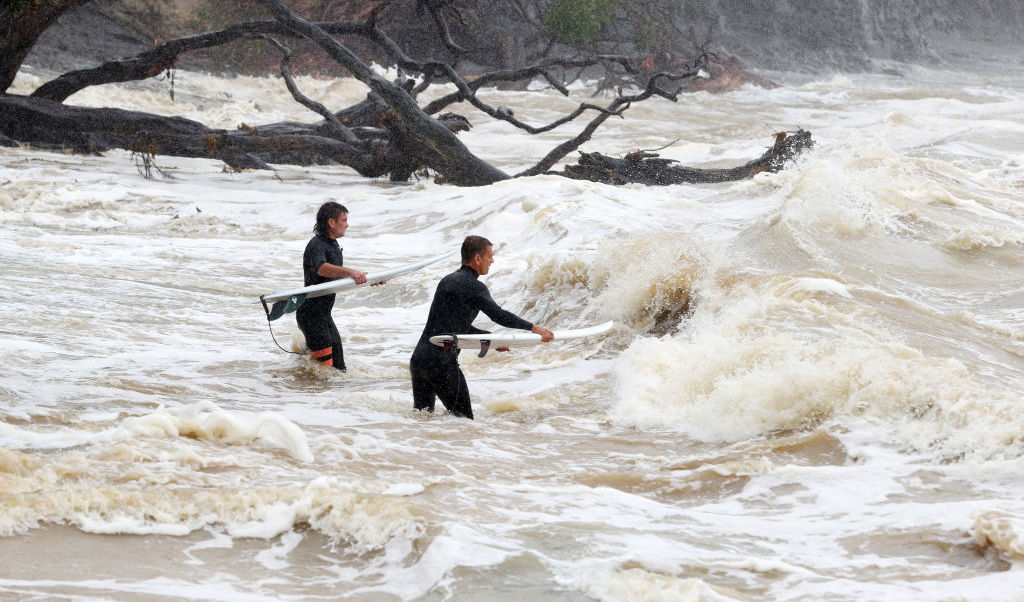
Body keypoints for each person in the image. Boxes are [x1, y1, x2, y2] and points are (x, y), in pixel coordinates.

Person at [410, 235, 554, 419]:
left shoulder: (447, 281)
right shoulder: (474, 286)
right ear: (477, 258)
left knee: (422, 420)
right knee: (464, 422)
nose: (492, 260)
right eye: (490, 256)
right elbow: (498, 315)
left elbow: (454, 327)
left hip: (420, 360)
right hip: (441, 364)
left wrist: (491, 340)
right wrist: (533, 327)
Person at [297, 201, 369, 371]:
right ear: (331, 222)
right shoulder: (317, 245)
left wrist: (368, 280)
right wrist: (351, 272)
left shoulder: (332, 245)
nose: (347, 225)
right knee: (325, 373)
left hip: (324, 315)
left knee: (338, 371)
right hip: (311, 315)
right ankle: (314, 397)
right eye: (344, 220)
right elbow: (322, 269)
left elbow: (335, 278)